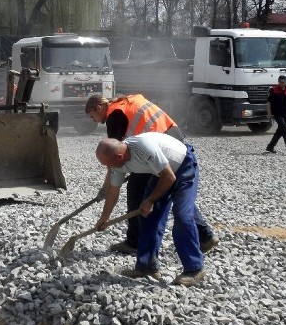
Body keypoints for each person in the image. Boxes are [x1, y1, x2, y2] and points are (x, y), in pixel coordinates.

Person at [85, 94, 218, 255]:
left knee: (136, 189)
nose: (94, 120)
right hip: (172, 137)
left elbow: (113, 157)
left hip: (157, 147)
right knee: (177, 190)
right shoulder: (126, 101)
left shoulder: (114, 115)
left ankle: (134, 241)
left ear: (99, 107)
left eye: (93, 116)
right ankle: (205, 235)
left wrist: (106, 188)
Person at [94, 133, 207, 287]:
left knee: (183, 215)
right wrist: (104, 218)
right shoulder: (117, 163)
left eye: (108, 164)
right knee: (148, 216)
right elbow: (113, 192)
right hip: (161, 172)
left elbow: (169, 178)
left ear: (119, 157)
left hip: (183, 166)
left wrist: (150, 200)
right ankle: (147, 266)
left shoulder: (143, 148)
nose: (108, 168)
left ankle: (194, 268)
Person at [265, 75, 286, 156]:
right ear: (278, 82)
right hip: (277, 114)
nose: (282, 83)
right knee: (285, 132)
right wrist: (269, 113)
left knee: (279, 131)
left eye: (283, 82)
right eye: (280, 82)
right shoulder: (274, 90)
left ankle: (270, 147)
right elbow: (269, 103)